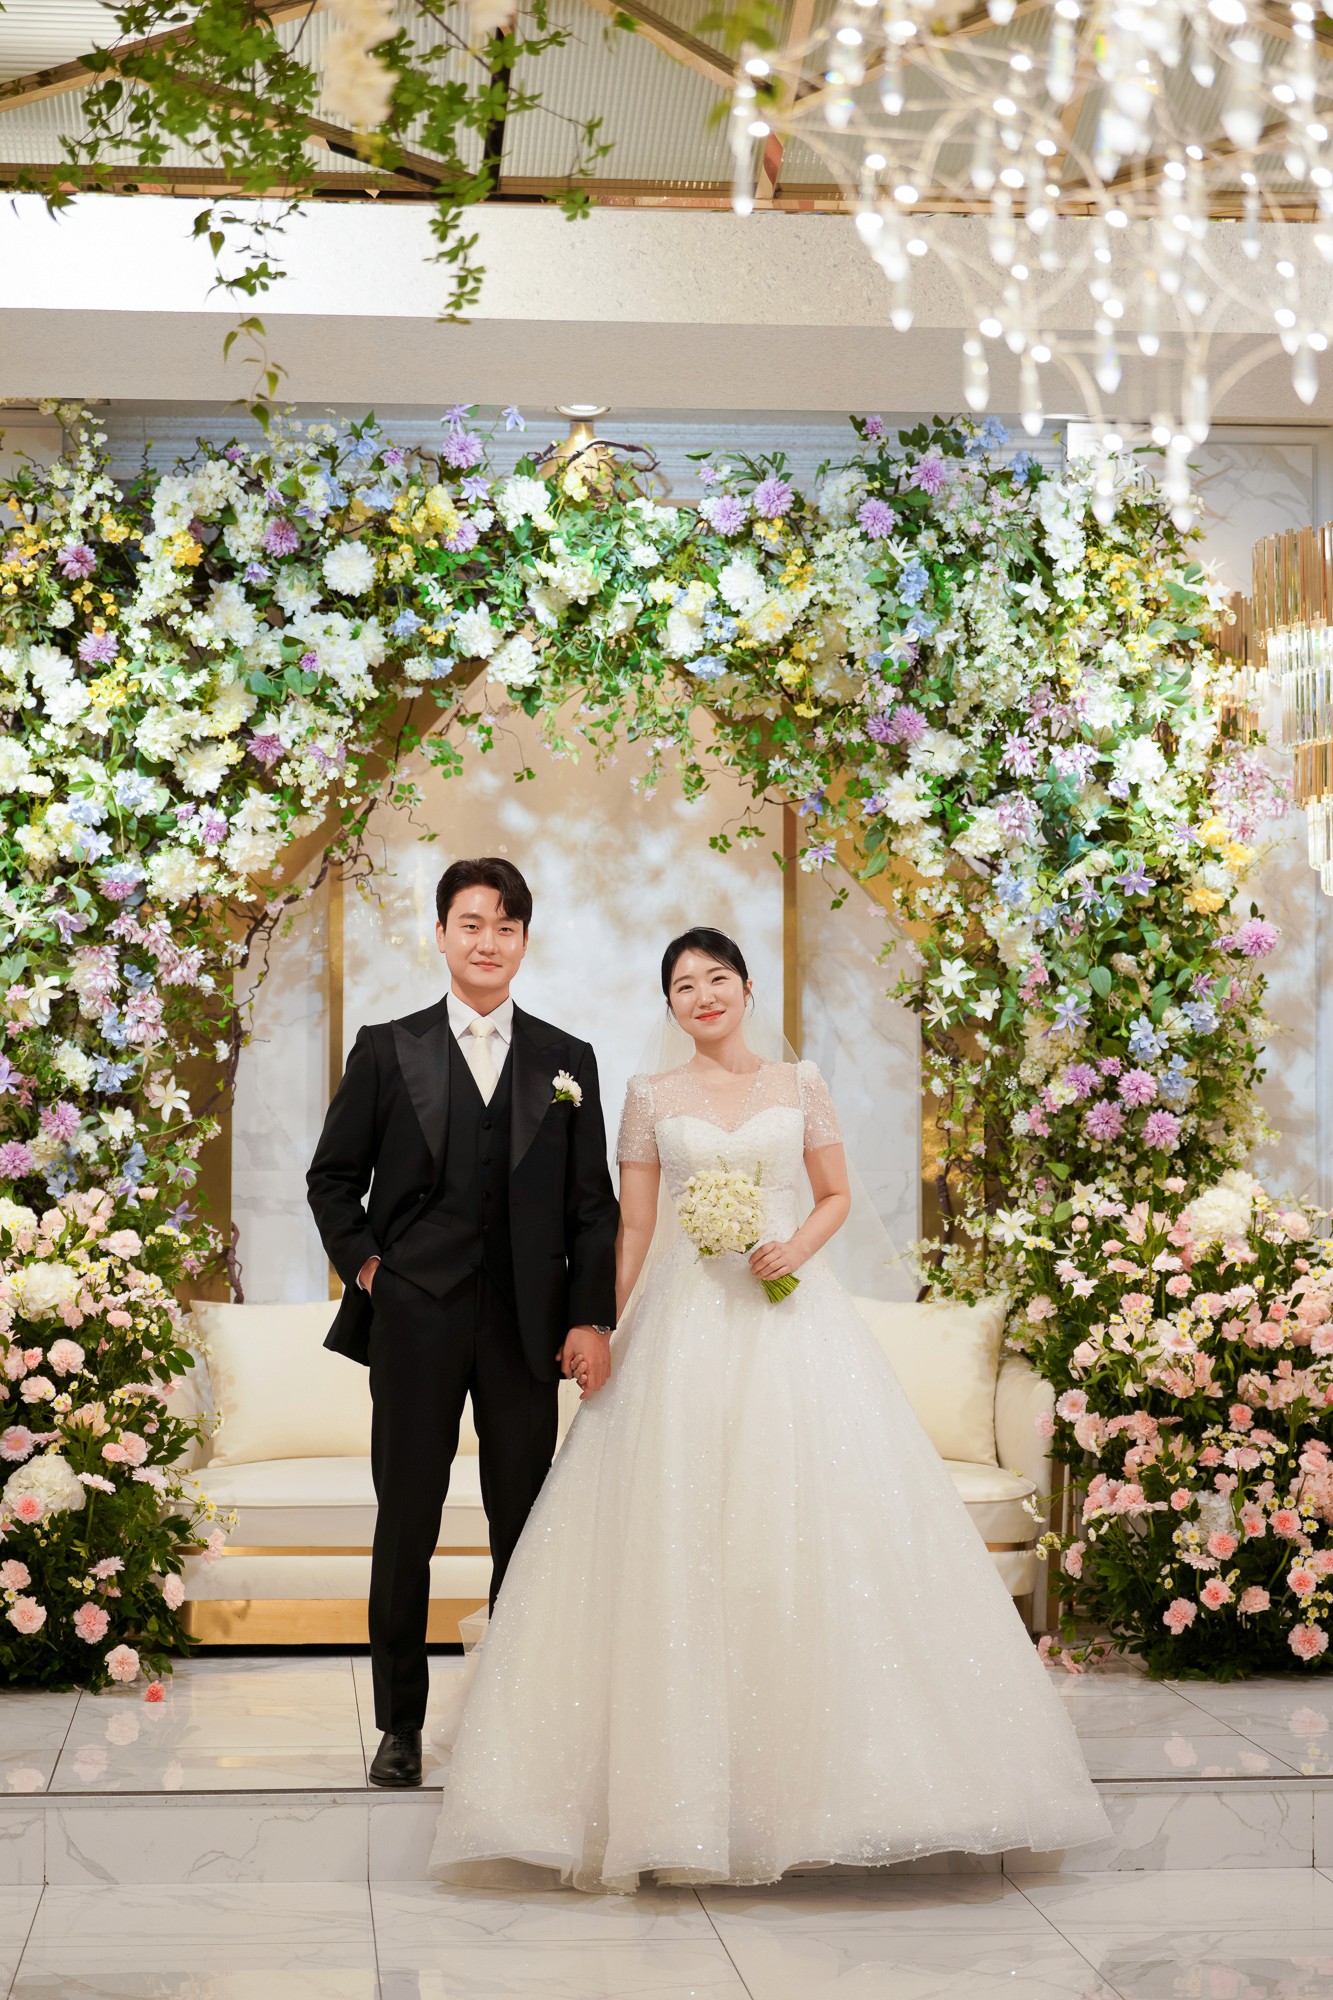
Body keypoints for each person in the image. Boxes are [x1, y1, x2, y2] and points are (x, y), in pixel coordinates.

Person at [429, 926, 1108, 1891]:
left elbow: (833, 1194)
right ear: (669, 1006)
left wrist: (794, 1246)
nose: (701, 995)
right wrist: (601, 1324)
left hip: (791, 1320)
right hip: (682, 1323)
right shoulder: (648, 1097)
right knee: (672, 1531)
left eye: (716, 979)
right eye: (682, 985)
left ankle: (840, 1784)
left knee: (810, 1521)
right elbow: (634, 1224)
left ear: (746, 989)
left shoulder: (800, 1084)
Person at [306, 856, 618, 1790]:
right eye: (471, 924)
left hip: (527, 1328)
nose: (488, 942)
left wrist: (590, 1319)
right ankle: (399, 1725)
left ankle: (512, 1723)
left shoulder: (567, 1059)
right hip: (415, 1319)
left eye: (506, 927)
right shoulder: (385, 1048)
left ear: (524, 941)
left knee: (523, 1523)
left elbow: (591, 1209)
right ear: (440, 933)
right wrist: (371, 1270)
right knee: (407, 1519)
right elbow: (332, 1180)